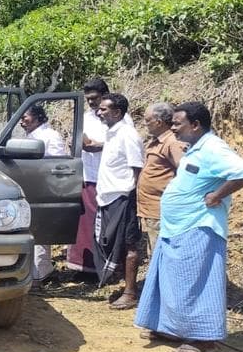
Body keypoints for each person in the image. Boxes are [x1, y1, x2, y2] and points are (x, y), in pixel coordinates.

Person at [135, 102, 243, 352]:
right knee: (176, 281)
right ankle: (173, 329)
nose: (174, 128)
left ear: (196, 125)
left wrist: (217, 195)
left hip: (199, 226)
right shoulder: (195, 148)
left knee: (199, 283)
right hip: (178, 227)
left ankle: (205, 340)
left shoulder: (213, 148)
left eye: (178, 124)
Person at [94, 93, 145, 309]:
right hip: (107, 197)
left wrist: (131, 197)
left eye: (104, 109)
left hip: (123, 197)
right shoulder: (111, 134)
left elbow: (137, 169)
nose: (99, 112)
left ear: (117, 112)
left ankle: (130, 292)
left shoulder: (128, 135)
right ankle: (124, 285)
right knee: (111, 242)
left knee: (128, 243)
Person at [19, 103, 68, 282]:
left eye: (25, 118)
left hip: (43, 188)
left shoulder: (50, 136)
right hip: (29, 187)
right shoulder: (30, 136)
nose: (22, 122)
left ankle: (41, 271)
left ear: (38, 117)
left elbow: (58, 163)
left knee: (40, 230)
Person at [67, 77, 110, 273]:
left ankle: (102, 268)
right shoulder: (84, 117)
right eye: (88, 99)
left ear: (104, 96)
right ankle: (82, 268)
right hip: (86, 176)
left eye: (95, 98)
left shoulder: (117, 117)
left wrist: (98, 146)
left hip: (106, 177)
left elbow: (122, 144)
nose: (92, 102)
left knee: (101, 226)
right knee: (83, 225)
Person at [136, 102, 184, 255]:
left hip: (161, 210)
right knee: (154, 251)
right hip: (151, 210)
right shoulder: (157, 141)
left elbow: (185, 171)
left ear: (159, 122)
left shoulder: (172, 142)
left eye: (147, 120)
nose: (145, 124)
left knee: (161, 253)